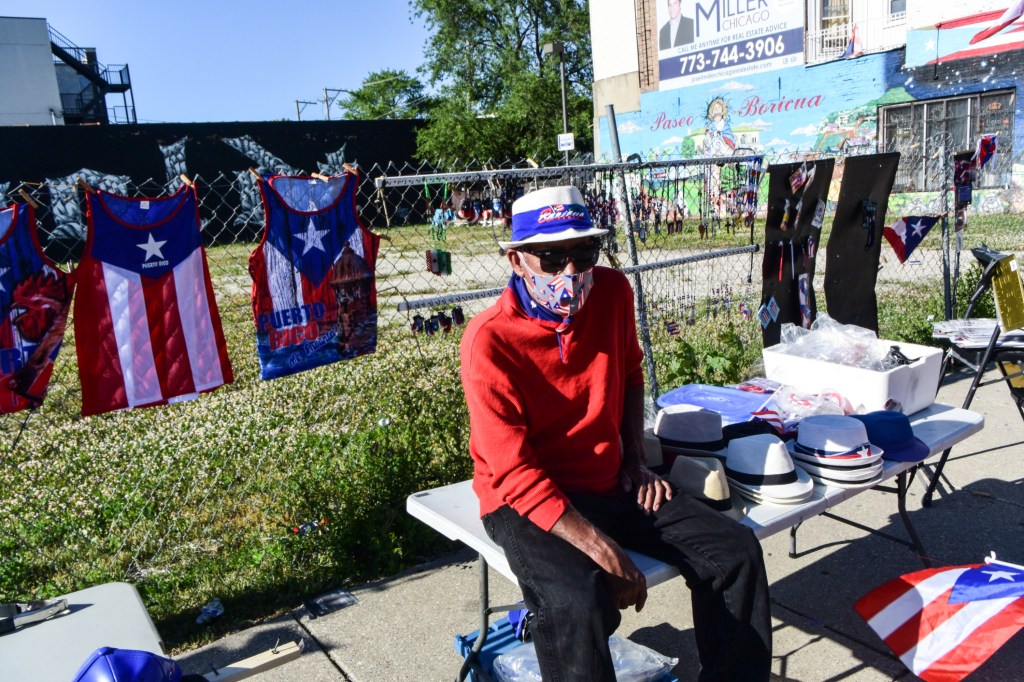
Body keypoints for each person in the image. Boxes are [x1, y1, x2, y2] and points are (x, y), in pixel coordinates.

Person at [460, 185, 772, 681]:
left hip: (607, 477)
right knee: (576, 604)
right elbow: (514, 473)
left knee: (735, 554)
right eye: (551, 256)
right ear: (517, 260)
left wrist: (633, 460)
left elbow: (629, 373)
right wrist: (602, 549)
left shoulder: (611, 292)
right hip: (524, 499)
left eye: (584, 251)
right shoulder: (489, 340)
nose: (571, 272)